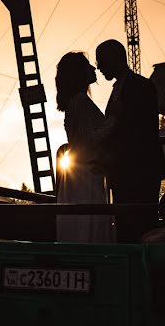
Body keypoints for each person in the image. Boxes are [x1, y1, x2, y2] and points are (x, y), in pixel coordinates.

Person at [95, 39, 165, 241]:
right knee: (126, 224)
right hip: (124, 170)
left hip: (139, 170)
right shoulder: (126, 87)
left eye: (101, 61)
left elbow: (141, 130)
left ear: (114, 58)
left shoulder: (141, 86)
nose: (99, 67)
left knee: (141, 225)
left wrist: (111, 155)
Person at [54, 51, 115, 243]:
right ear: (78, 73)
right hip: (87, 173)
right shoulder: (80, 102)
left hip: (82, 172)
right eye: (87, 65)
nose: (93, 68)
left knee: (83, 223)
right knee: (91, 221)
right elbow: (87, 140)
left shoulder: (76, 102)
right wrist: (114, 123)